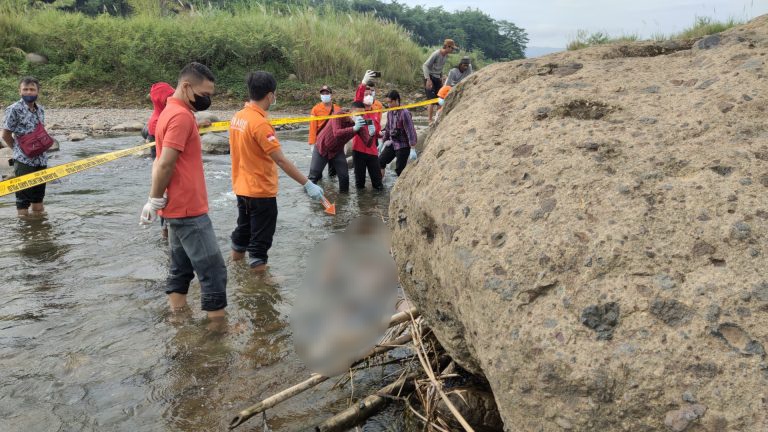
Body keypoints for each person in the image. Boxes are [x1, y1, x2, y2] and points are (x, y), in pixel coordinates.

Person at [139, 62, 227, 319]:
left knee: (181, 268)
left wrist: (156, 200)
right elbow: (165, 162)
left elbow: (161, 161)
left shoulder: (170, 111)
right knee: (213, 271)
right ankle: (217, 331)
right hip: (188, 210)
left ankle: (177, 319)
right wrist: (154, 200)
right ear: (187, 87)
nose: (208, 99)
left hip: (176, 208)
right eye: (205, 94)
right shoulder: (179, 116)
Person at [229, 71, 324, 272]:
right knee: (259, 246)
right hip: (261, 192)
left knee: (242, 232)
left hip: (241, 188)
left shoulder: (238, 117)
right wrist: (307, 183)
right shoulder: (260, 124)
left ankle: (236, 270)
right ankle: (260, 286)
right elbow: (280, 159)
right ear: (270, 95)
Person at [2, 76, 50, 217]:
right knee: (22, 201)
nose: (29, 92)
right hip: (23, 160)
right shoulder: (13, 109)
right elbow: (5, 135)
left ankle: (39, 229)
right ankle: (24, 232)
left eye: (32, 89)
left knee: (38, 198)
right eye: (25, 89)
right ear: (20, 91)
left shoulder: (40, 109)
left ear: (37, 92)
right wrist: (18, 150)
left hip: (41, 159)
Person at [308, 102, 370, 193]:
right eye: (358, 114)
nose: (360, 117)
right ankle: (311, 203)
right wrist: (354, 128)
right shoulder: (338, 115)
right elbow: (337, 133)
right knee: (314, 176)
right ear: (350, 112)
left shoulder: (359, 124)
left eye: (362, 114)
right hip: (322, 147)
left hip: (337, 151)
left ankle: (343, 203)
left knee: (344, 177)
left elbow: (368, 143)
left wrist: (372, 134)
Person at [352, 71, 383, 190]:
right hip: (358, 150)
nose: (369, 94)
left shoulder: (376, 112)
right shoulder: (358, 109)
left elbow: (377, 131)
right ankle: (362, 207)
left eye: (371, 92)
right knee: (359, 183)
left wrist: (380, 134)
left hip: (372, 151)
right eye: (366, 92)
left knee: (378, 183)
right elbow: (358, 96)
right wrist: (363, 82)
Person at [378, 90, 418, 177]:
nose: (388, 105)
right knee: (380, 161)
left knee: (400, 170)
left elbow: (410, 130)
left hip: (403, 145)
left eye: (390, 102)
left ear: (396, 100)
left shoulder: (405, 113)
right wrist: (382, 141)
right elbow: (388, 128)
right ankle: (379, 185)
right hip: (393, 142)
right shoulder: (390, 112)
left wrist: (413, 148)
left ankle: (401, 188)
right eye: (387, 102)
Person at [308, 85, 340, 178]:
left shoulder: (337, 109)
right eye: (322, 93)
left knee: (333, 172)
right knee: (317, 172)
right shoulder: (315, 109)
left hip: (333, 143)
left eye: (327, 93)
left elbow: (340, 127)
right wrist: (312, 144)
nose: (324, 95)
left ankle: (331, 189)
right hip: (320, 143)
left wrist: (343, 144)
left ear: (331, 95)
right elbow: (312, 127)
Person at [422, 39, 458, 122]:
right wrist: (428, 79)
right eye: (452, 48)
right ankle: (430, 120)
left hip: (437, 78)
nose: (452, 50)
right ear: (447, 47)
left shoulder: (445, 56)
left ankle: (437, 119)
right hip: (430, 77)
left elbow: (440, 68)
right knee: (431, 100)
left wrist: (441, 77)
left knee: (440, 99)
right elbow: (425, 66)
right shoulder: (436, 54)